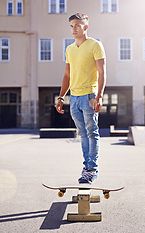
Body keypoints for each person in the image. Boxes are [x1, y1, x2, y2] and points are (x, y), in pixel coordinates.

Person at [56, 13, 106, 184]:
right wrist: (61, 97)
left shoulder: (95, 45)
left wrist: (99, 96)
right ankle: (87, 167)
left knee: (92, 132)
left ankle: (92, 169)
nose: (74, 28)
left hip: (89, 96)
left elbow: (102, 73)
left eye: (77, 25)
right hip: (74, 98)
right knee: (83, 134)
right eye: (71, 25)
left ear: (85, 26)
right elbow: (67, 76)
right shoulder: (69, 49)